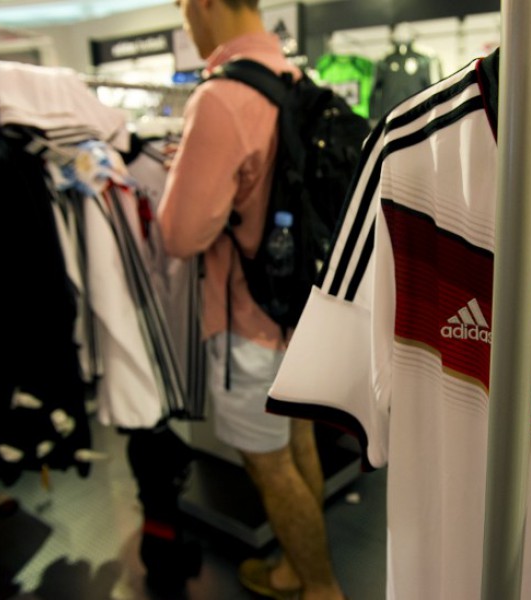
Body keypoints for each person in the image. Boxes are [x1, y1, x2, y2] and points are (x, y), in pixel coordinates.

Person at [158, 1, 345, 599]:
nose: (186, 19)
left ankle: (318, 587)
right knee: (298, 443)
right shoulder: (295, 82)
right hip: (302, 309)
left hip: (247, 317)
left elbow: (180, 234)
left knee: (268, 467)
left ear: (206, 4)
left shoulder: (220, 98)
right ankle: (300, 569)